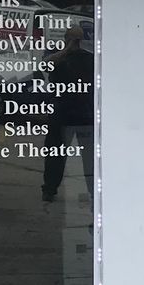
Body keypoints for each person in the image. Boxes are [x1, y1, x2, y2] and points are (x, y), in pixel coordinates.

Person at [40, 25, 95, 204]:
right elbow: (45, 65)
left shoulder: (88, 58)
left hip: (83, 114)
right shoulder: (58, 56)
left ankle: (93, 191)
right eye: (73, 39)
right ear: (65, 39)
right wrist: (66, 51)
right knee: (55, 154)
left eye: (77, 40)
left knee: (89, 157)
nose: (75, 43)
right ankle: (50, 189)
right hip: (62, 114)